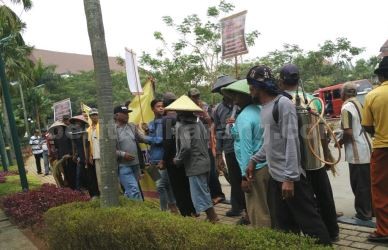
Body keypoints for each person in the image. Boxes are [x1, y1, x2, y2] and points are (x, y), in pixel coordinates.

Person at [246, 65, 331, 245]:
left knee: (311, 226)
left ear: (260, 86)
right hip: (276, 177)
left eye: (252, 85)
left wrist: (290, 178)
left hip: (291, 180)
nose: (250, 90)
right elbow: (270, 143)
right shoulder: (265, 108)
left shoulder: (282, 104)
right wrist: (254, 160)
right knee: (284, 227)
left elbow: (292, 142)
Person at [277, 64, 339, 241]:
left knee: (306, 203)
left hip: (299, 161)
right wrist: (325, 154)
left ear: (281, 81)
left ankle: (316, 237)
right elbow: (322, 130)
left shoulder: (282, 102)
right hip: (316, 156)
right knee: (324, 195)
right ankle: (332, 231)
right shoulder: (312, 99)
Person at [222, 79, 271, 228]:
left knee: (257, 210)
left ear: (248, 96)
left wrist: (245, 176)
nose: (235, 99)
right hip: (267, 165)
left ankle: (264, 239)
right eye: (234, 95)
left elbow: (246, 148)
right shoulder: (261, 110)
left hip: (254, 169)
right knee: (268, 206)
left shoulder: (244, 118)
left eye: (238, 95)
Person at [167, 95, 219, 223]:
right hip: (205, 160)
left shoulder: (182, 125)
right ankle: (211, 216)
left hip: (195, 164)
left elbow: (185, 147)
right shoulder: (198, 122)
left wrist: (178, 159)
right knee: (204, 190)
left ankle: (213, 217)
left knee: (200, 192)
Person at [362, 56, 388, 242]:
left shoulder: (373, 95)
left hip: (382, 150)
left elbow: (368, 126)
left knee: (381, 191)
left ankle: (384, 231)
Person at [339, 82, 373, 222]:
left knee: (359, 185)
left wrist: (340, 141)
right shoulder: (360, 104)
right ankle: (371, 211)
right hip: (367, 147)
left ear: (344, 93)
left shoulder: (346, 107)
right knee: (368, 183)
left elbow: (348, 131)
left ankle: (363, 214)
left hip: (357, 153)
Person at [161, 93, 196, 217]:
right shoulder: (181, 117)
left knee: (178, 188)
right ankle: (193, 210)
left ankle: (186, 213)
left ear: (164, 104)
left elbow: (167, 142)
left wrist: (164, 160)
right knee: (186, 185)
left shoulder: (166, 120)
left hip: (173, 159)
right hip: (186, 157)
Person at [188, 88, 225, 205]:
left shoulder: (204, 106)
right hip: (194, 143)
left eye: (197, 96)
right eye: (193, 96)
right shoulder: (186, 106)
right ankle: (208, 195)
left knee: (212, 169)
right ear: (189, 97)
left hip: (207, 142)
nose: (196, 98)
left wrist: (203, 113)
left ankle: (218, 195)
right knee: (202, 171)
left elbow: (211, 122)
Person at [145, 99, 178, 212]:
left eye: (162, 106)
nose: (161, 108)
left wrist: (143, 137)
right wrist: (146, 133)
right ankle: (173, 206)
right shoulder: (150, 123)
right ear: (152, 109)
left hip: (162, 159)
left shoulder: (166, 121)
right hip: (153, 159)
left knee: (160, 186)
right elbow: (152, 141)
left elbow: (161, 140)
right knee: (166, 185)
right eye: (158, 106)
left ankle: (163, 210)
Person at [115, 105, 145, 200]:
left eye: (127, 113)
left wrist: (157, 139)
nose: (127, 115)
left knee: (130, 191)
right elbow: (109, 150)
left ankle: (127, 210)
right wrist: (123, 154)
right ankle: (140, 213)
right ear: (116, 115)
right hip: (123, 165)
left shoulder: (132, 126)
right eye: (124, 113)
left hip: (135, 164)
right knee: (134, 190)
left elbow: (142, 138)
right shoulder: (111, 129)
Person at [87, 108, 101, 192]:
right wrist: (90, 155)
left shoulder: (103, 125)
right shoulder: (89, 129)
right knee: (99, 178)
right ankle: (103, 195)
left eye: (96, 114)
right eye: (92, 115)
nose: (94, 117)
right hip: (96, 157)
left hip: (105, 156)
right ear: (90, 117)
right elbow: (89, 144)